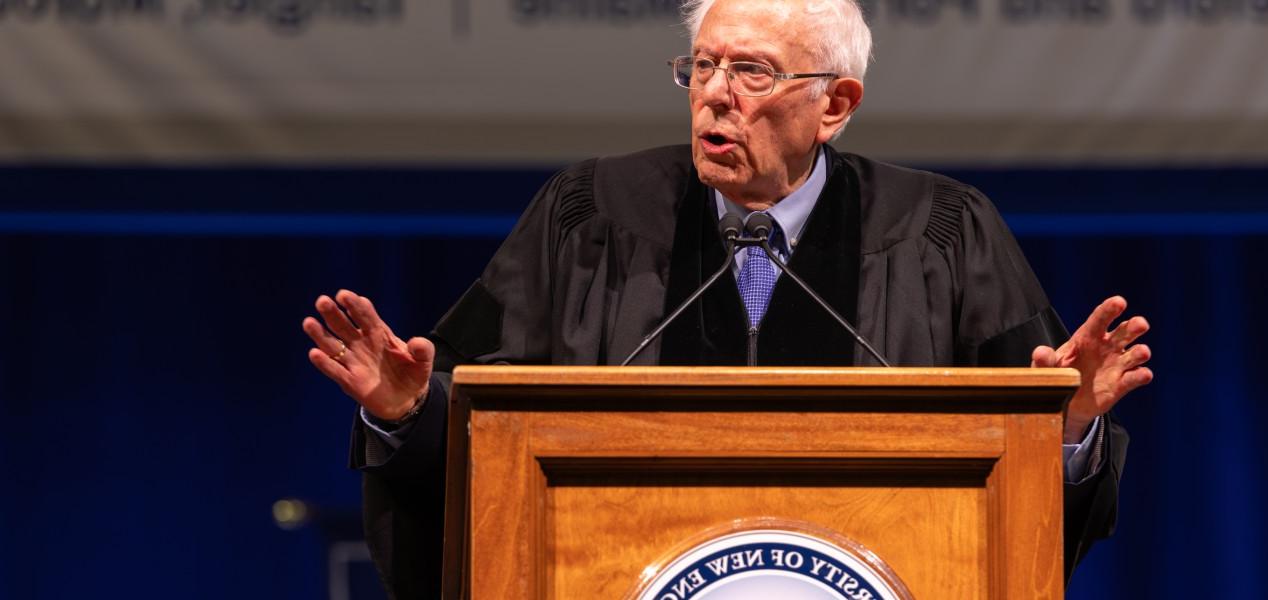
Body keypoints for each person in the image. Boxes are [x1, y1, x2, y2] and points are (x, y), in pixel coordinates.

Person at [301, 0, 1153, 597]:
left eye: (752, 72)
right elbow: (491, 444)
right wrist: (412, 414)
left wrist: (1067, 427)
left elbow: (1022, 503)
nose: (714, 94)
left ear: (835, 104)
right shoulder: (588, 215)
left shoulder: (946, 233)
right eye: (703, 66)